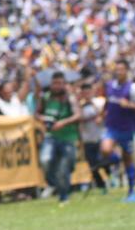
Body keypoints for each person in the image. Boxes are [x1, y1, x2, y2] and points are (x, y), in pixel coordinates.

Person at [101, 59, 135, 195]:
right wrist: (102, 113)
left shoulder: (133, 88)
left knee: (128, 159)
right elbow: (107, 102)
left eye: (122, 69)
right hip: (111, 127)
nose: (119, 72)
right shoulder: (110, 85)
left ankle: (131, 187)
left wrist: (129, 105)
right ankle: (116, 160)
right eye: (117, 69)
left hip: (127, 128)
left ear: (127, 71)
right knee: (105, 149)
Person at [36, 72, 81, 202]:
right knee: (45, 159)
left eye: (60, 83)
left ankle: (63, 196)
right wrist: (44, 119)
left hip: (68, 138)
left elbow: (78, 115)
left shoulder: (69, 98)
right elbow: (37, 113)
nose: (57, 86)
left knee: (65, 167)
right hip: (51, 136)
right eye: (55, 83)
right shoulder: (46, 97)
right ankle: (52, 183)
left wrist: (63, 123)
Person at [78, 80, 106, 192]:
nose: (86, 95)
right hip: (87, 139)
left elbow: (103, 113)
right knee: (92, 165)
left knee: (102, 160)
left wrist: (92, 104)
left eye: (88, 92)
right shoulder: (80, 106)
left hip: (100, 137)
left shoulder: (99, 102)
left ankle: (109, 175)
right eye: (84, 93)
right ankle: (101, 185)